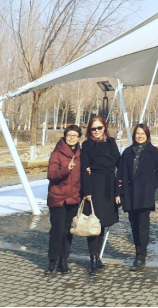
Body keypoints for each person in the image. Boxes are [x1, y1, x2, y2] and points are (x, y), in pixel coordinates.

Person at [116, 123, 158, 271]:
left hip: (144, 194)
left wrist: (152, 186)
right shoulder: (127, 152)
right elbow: (120, 174)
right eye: (137, 133)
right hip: (130, 194)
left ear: (147, 135)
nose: (140, 136)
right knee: (134, 225)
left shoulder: (152, 151)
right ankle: (138, 251)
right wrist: (119, 192)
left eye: (143, 133)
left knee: (142, 226)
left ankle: (141, 255)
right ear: (134, 135)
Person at [80, 115, 120, 276]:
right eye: (93, 128)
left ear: (104, 128)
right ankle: (93, 258)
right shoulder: (86, 145)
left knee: (101, 223)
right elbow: (84, 169)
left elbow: (118, 162)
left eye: (99, 128)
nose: (96, 131)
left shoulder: (111, 142)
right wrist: (87, 191)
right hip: (94, 186)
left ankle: (98, 256)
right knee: (92, 224)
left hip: (108, 186)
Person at [45, 125, 82, 274]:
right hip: (58, 198)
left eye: (75, 135)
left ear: (79, 138)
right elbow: (51, 175)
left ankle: (63, 260)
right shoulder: (57, 154)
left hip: (73, 198)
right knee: (57, 231)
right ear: (65, 136)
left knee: (67, 231)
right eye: (69, 135)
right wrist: (67, 169)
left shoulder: (81, 154)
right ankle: (52, 261)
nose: (72, 138)